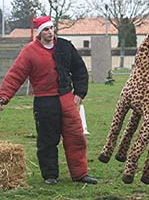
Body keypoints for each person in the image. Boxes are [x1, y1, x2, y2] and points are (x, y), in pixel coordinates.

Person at [0, 16, 97, 185]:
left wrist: (80, 93)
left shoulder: (65, 46)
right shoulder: (29, 52)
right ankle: (50, 176)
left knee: (76, 137)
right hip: (44, 101)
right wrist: (3, 97)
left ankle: (80, 174)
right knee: (48, 140)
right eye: (46, 29)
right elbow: (15, 75)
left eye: (52, 28)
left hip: (67, 98)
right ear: (39, 33)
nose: (50, 32)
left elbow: (80, 70)